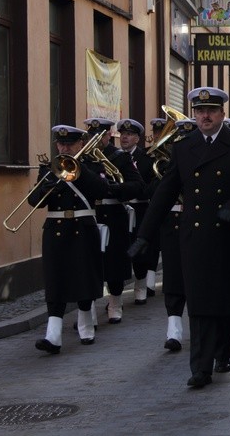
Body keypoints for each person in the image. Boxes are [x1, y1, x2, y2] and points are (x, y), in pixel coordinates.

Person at [128, 87, 230, 388]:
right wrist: (144, 236)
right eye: (200, 111)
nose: (205, 115)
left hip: (228, 236)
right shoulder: (184, 147)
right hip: (196, 237)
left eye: (211, 110)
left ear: (222, 114)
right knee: (201, 303)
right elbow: (164, 194)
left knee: (226, 303)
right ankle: (200, 368)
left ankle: (223, 353)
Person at [30, 125, 109, 353]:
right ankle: (53, 336)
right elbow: (34, 202)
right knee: (55, 280)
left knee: (84, 276)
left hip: (83, 228)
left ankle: (86, 326)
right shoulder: (48, 169)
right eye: (61, 144)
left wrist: (79, 171)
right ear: (56, 145)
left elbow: (103, 190)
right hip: (55, 229)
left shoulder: (92, 166)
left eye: (70, 144)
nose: (64, 147)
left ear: (80, 145)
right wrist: (47, 185)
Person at [83, 117, 145, 324]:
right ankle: (87, 310)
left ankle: (115, 303)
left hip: (113, 213)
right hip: (89, 215)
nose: (94, 139)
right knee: (88, 265)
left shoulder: (119, 157)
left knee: (115, 263)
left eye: (99, 135)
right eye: (91, 135)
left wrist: (114, 188)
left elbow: (137, 185)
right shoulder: (81, 158)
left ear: (109, 135)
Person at [160, 118, 196, 352]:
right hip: (172, 223)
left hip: (197, 222)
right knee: (173, 276)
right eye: (177, 138)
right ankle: (173, 330)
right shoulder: (166, 163)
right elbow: (153, 193)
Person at [117, 118, 158, 305]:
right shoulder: (113, 157)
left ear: (137, 139)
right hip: (119, 208)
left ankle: (141, 283)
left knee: (140, 248)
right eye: (122, 134)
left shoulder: (147, 159)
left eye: (129, 135)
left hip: (141, 206)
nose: (124, 137)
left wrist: (139, 191)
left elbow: (153, 183)